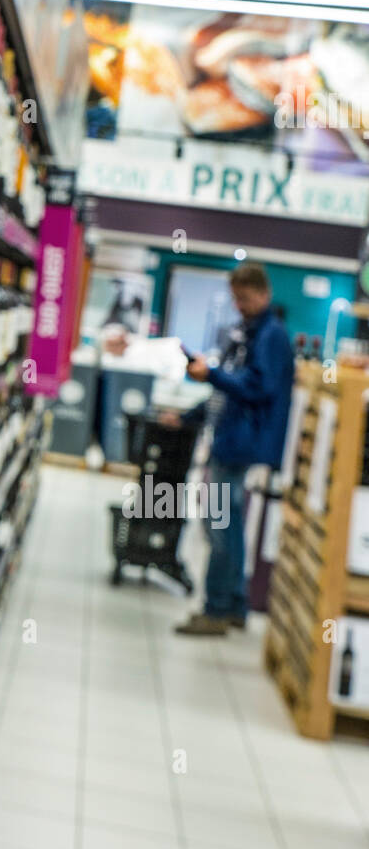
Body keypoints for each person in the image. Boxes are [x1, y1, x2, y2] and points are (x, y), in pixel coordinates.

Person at [174, 262, 293, 636]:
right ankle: (234, 605)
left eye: (244, 298)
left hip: (243, 444)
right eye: (236, 299)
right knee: (227, 523)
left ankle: (216, 609)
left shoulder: (271, 336)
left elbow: (258, 389)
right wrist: (191, 412)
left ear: (264, 294)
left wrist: (210, 373)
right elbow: (229, 389)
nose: (239, 305)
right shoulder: (247, 333)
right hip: (232, 439)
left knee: (221, 524)